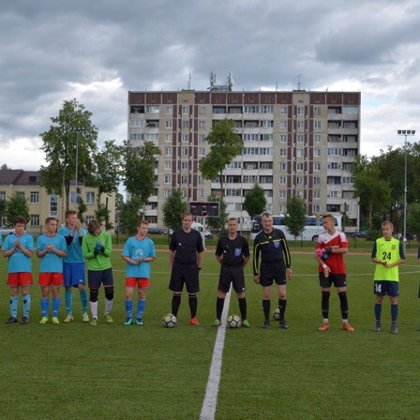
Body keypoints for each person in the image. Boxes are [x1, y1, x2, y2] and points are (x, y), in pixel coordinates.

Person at [315, 213, 355, 332]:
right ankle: (325, 323)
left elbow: (345, 250)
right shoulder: (321, 236)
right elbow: (317, 254)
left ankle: (345, 323)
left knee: (342, 295)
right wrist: (324, 265)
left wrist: (330, 249)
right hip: (325, 270)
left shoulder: (341, 235)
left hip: (339, 269)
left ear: (332, 223)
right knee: (325, 295)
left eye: (325, 222)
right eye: (323, 222)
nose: (324, 224)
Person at [253, 212, 292, 329]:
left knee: (282, 294)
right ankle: (266, 321)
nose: (267, 223)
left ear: (272, 221)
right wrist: (256, 273)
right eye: (265, 221)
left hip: (279, 266)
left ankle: (282, 320)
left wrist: (289, 266)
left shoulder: (279, 234)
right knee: (266, 294)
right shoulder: (258, 238)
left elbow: (286, 250)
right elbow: (255, 256)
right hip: (266, 267)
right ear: (262, 222)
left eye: (269, 221)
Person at [169, 212, 204, 326]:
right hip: (178, 267)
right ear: (182, 221)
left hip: (192, 267)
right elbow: (171, 251)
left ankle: (193, 318)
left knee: (192, 293)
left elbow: (200, 251)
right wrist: (171, 267)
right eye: (185, 220)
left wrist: (199, 266)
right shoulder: (176, 234)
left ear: (192, 221)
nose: (187, 222)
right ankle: (173, 317)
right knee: (177, 293)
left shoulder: (196, 235)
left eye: (189, 220)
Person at [213, 217, 250, 327]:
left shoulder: (242, 240)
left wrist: (241, 266)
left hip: (238, 269)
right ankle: (217, 319)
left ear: (237, 226)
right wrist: (223, 264)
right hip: (225, 269)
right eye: (230, 225)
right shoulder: (222, 240)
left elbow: (247, 256)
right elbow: (217, 255)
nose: (232, 227)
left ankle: (244, 319)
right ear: (227, 226)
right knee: (221, 293)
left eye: (234, 225)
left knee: (241, 293)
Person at [371, 221, 405, 334]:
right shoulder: (378, 242)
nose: (385, 231)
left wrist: (391, 265)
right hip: (380, 276)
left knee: (393, 300)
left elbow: (403, 259)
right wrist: (380, 261)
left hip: (392, 277)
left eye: (387, 229)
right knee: (379, 299)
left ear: (392, 229)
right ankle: (377, 323)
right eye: (383, 229)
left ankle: (394, 324)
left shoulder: (397, 242)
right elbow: (373, 257)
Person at [121, 219, 156, 326]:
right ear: (138, 228)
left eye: (146, 228)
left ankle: (139, 318)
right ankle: (129, 317)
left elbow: (152, 257)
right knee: (128, 294)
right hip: (131, 272)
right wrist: (133, 261)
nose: (145, 230)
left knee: (141, 294)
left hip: (143, 272)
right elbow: (124, 255)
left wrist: (144, 259)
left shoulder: (150, 242)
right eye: (143, 228)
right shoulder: (130, 241)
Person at [3, 216, 34, 324]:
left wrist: (20, 246)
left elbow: (30, 254)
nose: (20, 228)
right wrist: (14, 249)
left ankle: (25, 316)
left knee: (25, 292)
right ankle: (13, 316)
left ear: (24, 226)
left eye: (22, 226)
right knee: (13, 292)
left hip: (25, 269)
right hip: (13, 269)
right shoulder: (9, 238)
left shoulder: (28, 237)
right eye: (18, 226)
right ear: (14, 226)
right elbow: (4, 254)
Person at [59, 210, 89, 323]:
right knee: (68, 287)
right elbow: (67, 242)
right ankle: (69, 313)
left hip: (79, 262)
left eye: (75, 217)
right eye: (72, 218)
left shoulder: (83, 231)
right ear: (67, 219)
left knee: (81, 287)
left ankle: (85, 312)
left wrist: (79, 230)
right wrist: (73, 230)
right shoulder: (62, 231)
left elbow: (83, 243)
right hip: (67, 262)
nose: (74, 220)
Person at [82, 219, 114, 326]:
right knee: (93, 293)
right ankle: (94, 317)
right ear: (90, 231)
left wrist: (103, 250)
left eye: (98, 231)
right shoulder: (86, 238)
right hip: (93, 269)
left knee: (110, 292)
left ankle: (107, 313)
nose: (97, 233)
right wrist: (94, 253)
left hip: (106, 268)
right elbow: (85, 255)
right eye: (94, 232)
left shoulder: (106, 235)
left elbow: (109, 253)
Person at [36, 217, 67, 325]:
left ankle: (54, 316)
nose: (54, 227)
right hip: (44, 270)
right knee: (44, 292)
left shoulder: (61, 238)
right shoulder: (41, 239)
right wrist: (46, 250)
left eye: (55, 225)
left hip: (57, 270)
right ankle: (44, 316)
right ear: (46, 225)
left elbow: (64, 253)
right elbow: (38, 254)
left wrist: (53, 249)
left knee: (55, 292)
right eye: (52, 224)